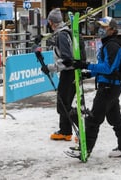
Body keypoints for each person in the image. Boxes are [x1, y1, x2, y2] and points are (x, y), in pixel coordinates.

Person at [73, 16, 121, 158]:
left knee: (94, 119)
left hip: (108, 88)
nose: (101, 29)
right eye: (100, 26)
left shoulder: (112, 45)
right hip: (111, 86)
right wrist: (89, 74)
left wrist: (86, 65)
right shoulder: (107, 44)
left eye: (104, 27)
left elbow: (108, 68)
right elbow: (103, 67)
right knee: (115, 119)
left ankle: (85, 149)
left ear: (112, 30)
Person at [41, 8, 76, 141]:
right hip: (70, 73)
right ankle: (65, 131)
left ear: (52, 22)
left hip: (69, 73)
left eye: (49, 22)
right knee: (64, 103)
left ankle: (80, 129)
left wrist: (50, 68)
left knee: (64, 104)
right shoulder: (66, 32)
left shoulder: (62, 35)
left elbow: (67, 60)